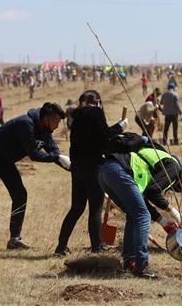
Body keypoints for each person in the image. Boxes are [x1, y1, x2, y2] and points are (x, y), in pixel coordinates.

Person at [0, 103, 70, 249]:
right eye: (57, 122)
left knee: (20, 195)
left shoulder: (45, 130)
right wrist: (56, 158)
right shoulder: (26, 124)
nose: (58, 126)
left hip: (6, 160)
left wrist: (70, 166)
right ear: (46, 118)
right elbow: (34, 154)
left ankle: (14, 239)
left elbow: (53, 151)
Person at [98, 139, 182, 277]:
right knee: (142, 216)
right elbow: (153, 193)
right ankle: (142, 265)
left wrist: (163, 221)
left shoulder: (164, 166)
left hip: (106, 172)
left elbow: (144, 198)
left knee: (134, 214)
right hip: (119, 171)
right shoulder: (174, 168)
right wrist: (175, 213)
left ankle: (130, 261)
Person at [55, 90, 127, 256]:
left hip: (77, 166)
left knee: (76, 208)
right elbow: (104, 137)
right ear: (99, 102)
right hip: (93, 166)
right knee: (95, 208)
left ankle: (61, 247)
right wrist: (120, 127)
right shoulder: (96, 113)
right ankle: (97, 247)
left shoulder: (76, 115)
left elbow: (95, 135)